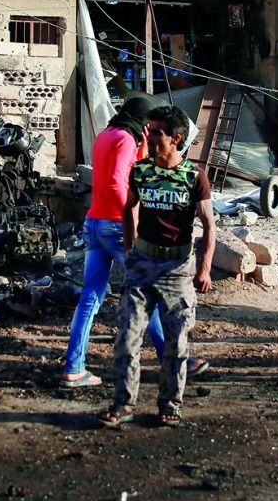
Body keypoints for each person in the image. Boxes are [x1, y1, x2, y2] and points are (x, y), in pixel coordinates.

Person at [62, 96, 207, 388]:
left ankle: (74, 367)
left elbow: (128, 172)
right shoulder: (126, 139)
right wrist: (135, 221)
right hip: (116, 227)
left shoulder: (107, 134)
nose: (149, 133)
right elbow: (119, 183)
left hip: (94, 223)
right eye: (147, 126)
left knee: (90, 297)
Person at [98, 105, 216, 428]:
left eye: (157, 134)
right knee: (127, 336)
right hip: (141, 266)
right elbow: (128, 207)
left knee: (176, 343)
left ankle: (170, 404)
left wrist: (204, 268)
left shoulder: (194, 177)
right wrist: (128, 244)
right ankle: (123, 403)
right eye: (148, 132)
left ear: (176, 139)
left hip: (177, 270)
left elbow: (209, 225)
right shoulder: (140, 171)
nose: (149, 139)